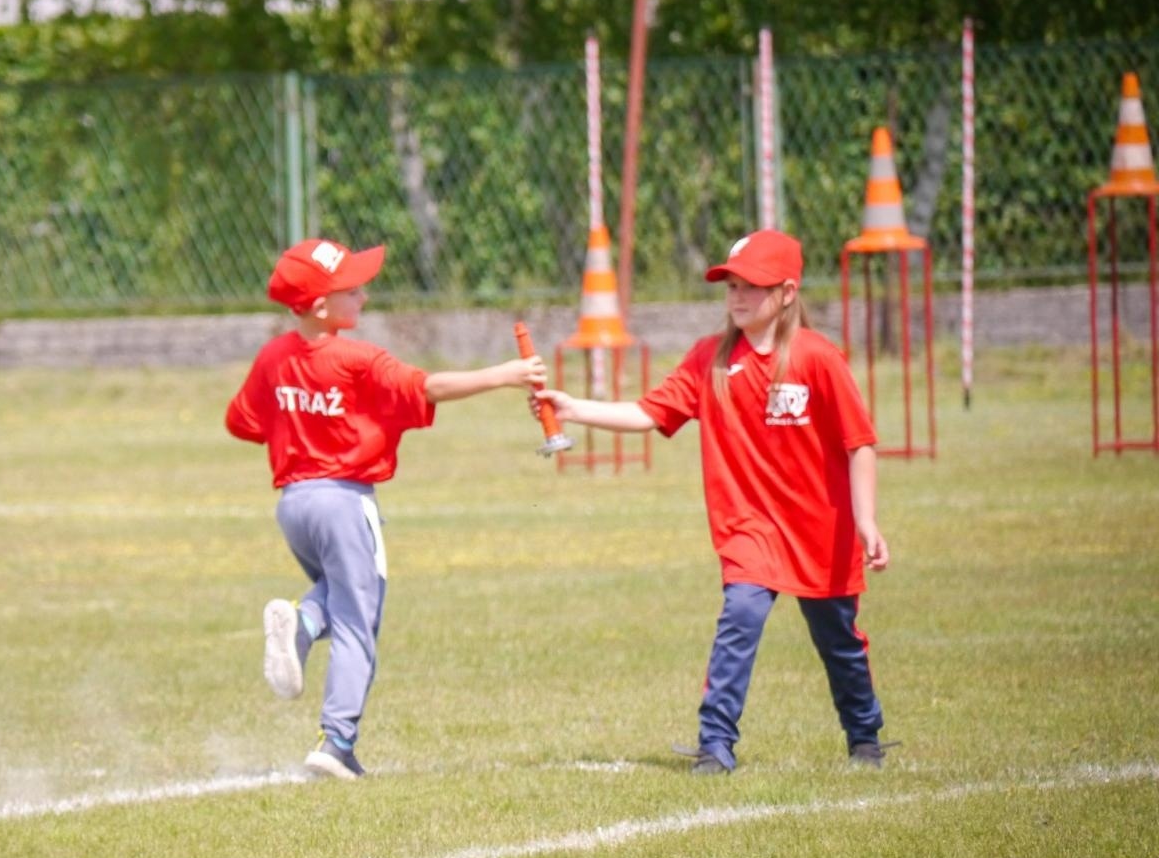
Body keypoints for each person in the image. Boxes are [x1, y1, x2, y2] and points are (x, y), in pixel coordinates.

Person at [535, 229, 896, 774]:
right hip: (750, 529)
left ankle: (864, 735)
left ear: (788, 292)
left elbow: (858, 443)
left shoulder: (819, 358)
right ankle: (716, 744)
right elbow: (648, 413)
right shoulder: (710, 359)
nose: (737, 295)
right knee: (741, 617)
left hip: (821, 530)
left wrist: (866, 520)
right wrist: (572, 408)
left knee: (838, 640)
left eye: (752, 285)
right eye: (731, 284)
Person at [227, 237, 546, 780]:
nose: (366, 294)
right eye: (353, 288)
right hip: (345, 502)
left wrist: (299, 415)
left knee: (339, 594)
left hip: (294, 506)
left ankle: (302, 624)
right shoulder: (357, 358)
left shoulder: (273, 356)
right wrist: (506, 375)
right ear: (322, 306)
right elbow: (430, 386)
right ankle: (338, 741)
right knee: (358, 619)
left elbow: (242, 421)